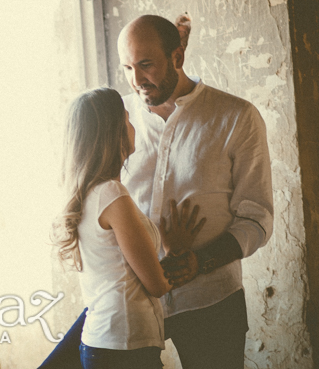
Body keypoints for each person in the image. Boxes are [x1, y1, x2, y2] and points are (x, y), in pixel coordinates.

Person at [40, 15, 274, 369]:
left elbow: (257, 219)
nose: (136, 81)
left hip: (210, 298)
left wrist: (199, 262)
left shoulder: (236, 117)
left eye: (146, 65)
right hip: (127, 305)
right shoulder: (115, 120)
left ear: (177, 57)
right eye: (128, 67)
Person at [49, 87, 205, 369]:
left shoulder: (89, 194)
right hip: (124, 347)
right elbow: (156, 285)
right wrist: (175, 250)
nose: (133, 126)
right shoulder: (112, 195)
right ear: (114, 133)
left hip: (107, 341)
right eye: (127, 119)